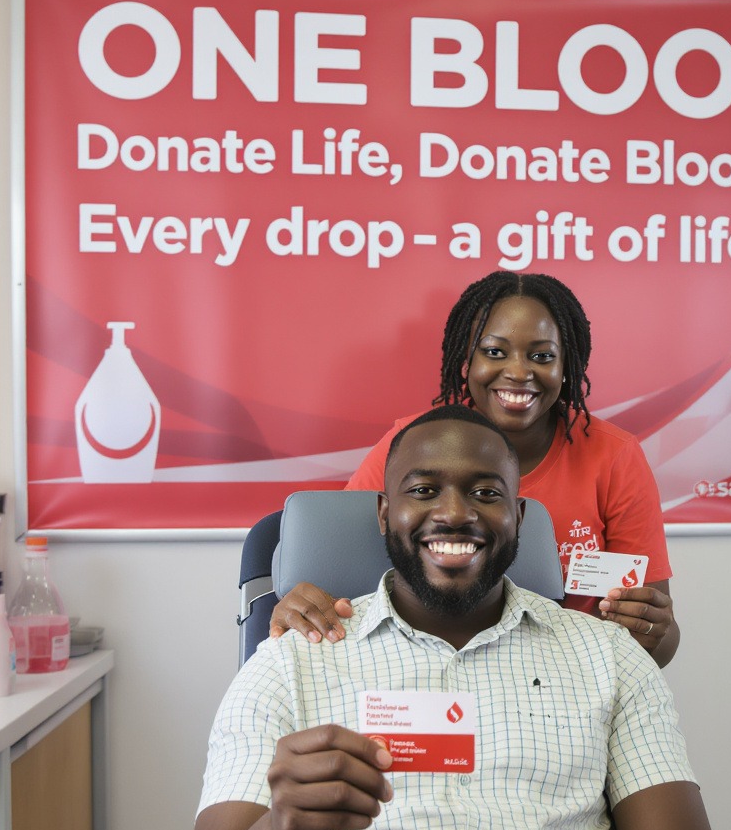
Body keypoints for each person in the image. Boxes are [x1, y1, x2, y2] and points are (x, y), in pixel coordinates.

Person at [176, 405, 728, 830]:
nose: (454, 513)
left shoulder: (609, 657)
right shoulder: (291, 664)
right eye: (423, 491)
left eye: (486, 493)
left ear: (519, 515)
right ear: (384, 512)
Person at [270, 270, 680, 667]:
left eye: (542, 356)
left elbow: (656, 643)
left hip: (565, 679)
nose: (518, 372)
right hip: (419, 668)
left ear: (567, 365)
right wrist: (304, 604)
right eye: (495, 352)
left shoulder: (614, 457)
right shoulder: (413, 446)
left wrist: (652, 632)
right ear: (467, 358)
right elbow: (335, 573)